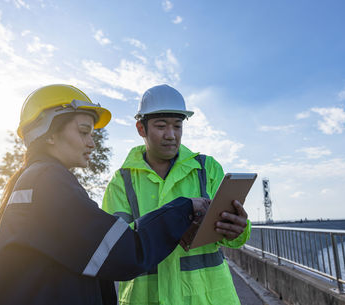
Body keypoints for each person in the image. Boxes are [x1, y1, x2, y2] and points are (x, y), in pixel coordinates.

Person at [0, 84, 210, 305]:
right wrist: (184, 208)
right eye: (83, 132)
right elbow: (123, 253)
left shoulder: (39, 179)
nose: (92, 144)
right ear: (48, 133)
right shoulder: (48, 181)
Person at [102, 84, 251, 305]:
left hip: (209, 298)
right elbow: (115, 248)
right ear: (141, 129)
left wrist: (238, 229)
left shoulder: (207, 168)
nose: (171, 135)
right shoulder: (122, 181)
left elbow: (236, 238)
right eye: (161, 126)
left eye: (178, 126)